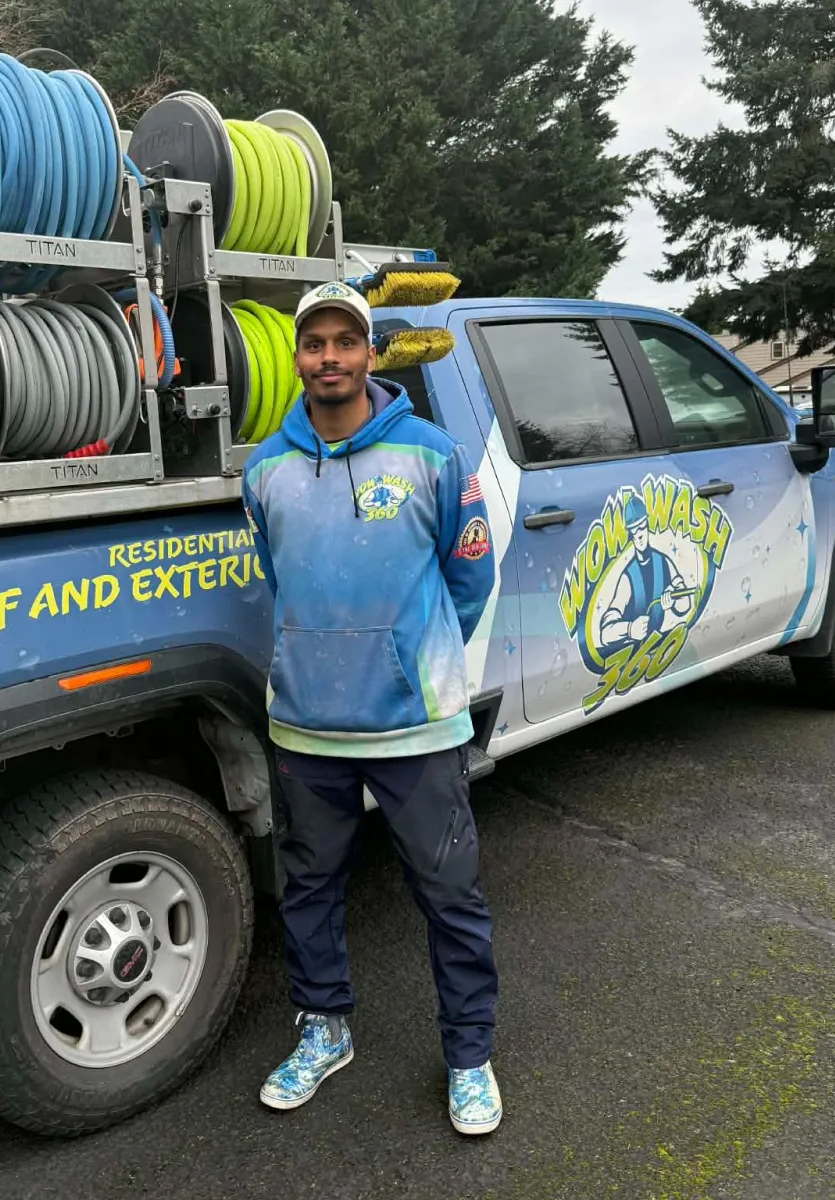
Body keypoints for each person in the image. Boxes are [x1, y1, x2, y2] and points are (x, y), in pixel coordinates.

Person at [241, 280, 502, 1135]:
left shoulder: (433, 455)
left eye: (343, 342)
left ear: (370, 353)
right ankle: (324, 1031)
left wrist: (409, 653)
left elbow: (469, 577)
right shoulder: (264, 469)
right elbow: (281, 581)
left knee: (448, 895)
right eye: (313, 343)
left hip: (415, 724)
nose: (329, 358)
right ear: (298, 358)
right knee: (308, 891)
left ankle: (470, 1056)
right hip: (306, 724)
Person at [599, 493, 693, 649]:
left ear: (647, 526)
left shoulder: (664, 562)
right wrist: (629, 629)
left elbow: (686, 604)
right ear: (630, 534)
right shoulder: (628, 578)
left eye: (642, 527)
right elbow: (605, 633)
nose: (639, 535)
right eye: (634, 531)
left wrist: (674, 601)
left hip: (660, 646)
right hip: (632, 653)